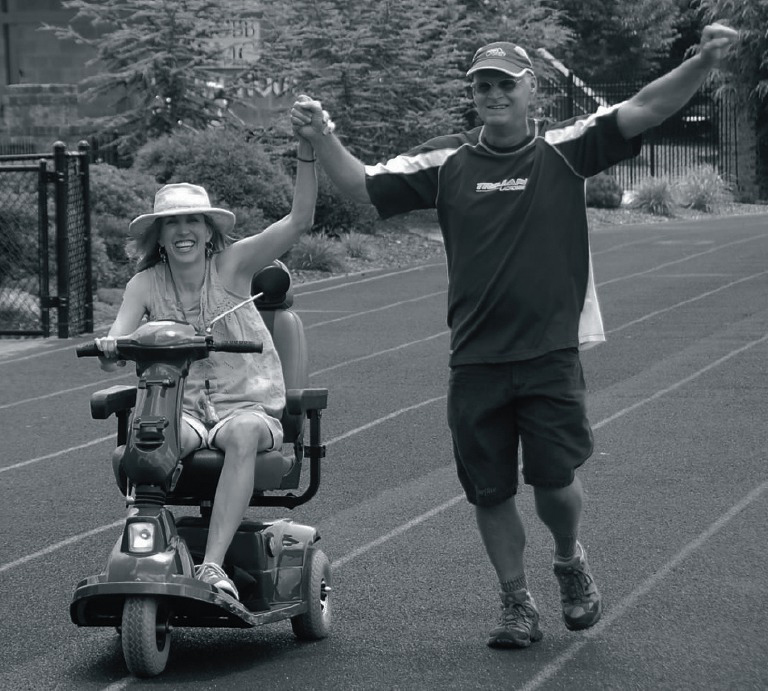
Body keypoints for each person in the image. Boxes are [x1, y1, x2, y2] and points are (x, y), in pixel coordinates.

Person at [289, 23, 739, 646]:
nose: (494, 93)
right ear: (473, 95)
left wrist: (702, 62)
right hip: (475, 358)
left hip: (549, 353)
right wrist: (323, 134)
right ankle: (515, 602)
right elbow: (364, 189)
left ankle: (568, 558)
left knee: (554, 483)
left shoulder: (566, 146)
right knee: (490, 490)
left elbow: (646, 107)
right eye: (483, 85)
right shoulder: (447, 159)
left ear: (532, 93)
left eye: (506, 83)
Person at [95, 134, 318, 601]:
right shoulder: (144, 284)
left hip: (246, 405)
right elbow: (118, 338)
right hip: (186, 407)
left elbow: (300, 221)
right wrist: (110, 347)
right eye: (172, 221)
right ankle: (146, 551)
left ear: (209, 230)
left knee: (239, 435)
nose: (183, 230)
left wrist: (308, 150)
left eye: (192, 219)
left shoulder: (233, 266)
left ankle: (213, 566)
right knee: (152, 434)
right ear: (158, 234)